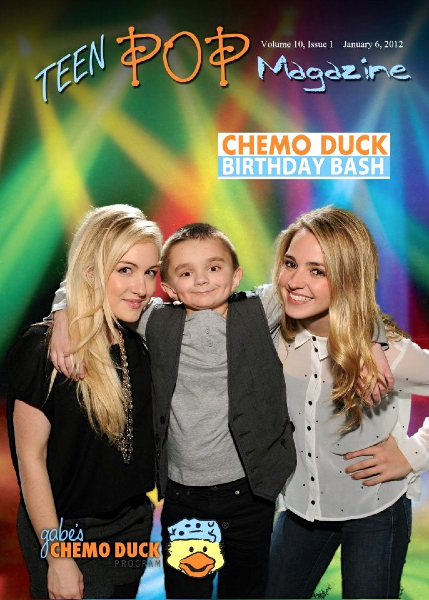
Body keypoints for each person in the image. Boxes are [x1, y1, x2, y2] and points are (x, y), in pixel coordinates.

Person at [49, 221, 391, 599]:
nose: (201, 280)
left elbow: (341, 290)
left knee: (244, 590)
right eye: (186, 273)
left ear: (235, 275)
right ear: (168, 287)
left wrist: (373, 342)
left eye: (214, 268)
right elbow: (91, 286)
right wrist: (62, 312)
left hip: (251, 494)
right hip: (185, 498)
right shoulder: (152, 319)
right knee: (187, 590)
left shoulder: (262, 308)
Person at [265, 206, 429, 599]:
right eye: (291, 263)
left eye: (317, 271)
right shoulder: (270, 324)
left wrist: (415, 453)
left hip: (375, 510)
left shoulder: (389, 354)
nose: (296, 281)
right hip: (301, 508)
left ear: (348, 279)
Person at [7, 204, 162, 599]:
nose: (141, 287)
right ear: (92, 272)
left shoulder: (139, 339)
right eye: (125, 270)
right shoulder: (44, 351)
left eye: (150, 272)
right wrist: (57, 557)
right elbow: (31, 461)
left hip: (131, 526)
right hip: (65, 532)